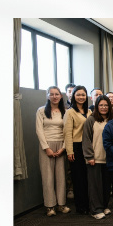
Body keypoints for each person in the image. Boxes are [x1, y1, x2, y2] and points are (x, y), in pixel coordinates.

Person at [36, 86, 69, 216]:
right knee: (47, 176)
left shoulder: (65, 111)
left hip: (61, 145)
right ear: (47, 96)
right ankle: (50, 206)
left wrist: (64, 148)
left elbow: (68, 131)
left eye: (57, 94)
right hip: (46, 145)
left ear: (61, 96)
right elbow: (39, 130)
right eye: (51, 94)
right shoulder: (41, 111)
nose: (54, 96)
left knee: (61, 176)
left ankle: (61, 204)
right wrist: (46, 148)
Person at [82, 95, 113, 219]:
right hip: (95, 158)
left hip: (109, 158)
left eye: (106, 105)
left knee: (106, 185)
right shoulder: (91, 120)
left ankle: (104, 206)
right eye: (101, 105)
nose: (104, 107)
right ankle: (96, 209)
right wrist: (89, 156)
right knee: (95, 185)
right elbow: (86, 139)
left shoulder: (112, 119)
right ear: (96, 106)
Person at [63, 85, 92, 214]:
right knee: (78, 178)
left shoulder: (89, 111)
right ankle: (81, 206)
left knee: (87, 177)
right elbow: (67, 133)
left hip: (88, 146)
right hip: (76, 147)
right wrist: (69, 151)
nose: (81, 97)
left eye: (83, 95)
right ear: (73, 96)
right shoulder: (70, 112)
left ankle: (88, 204)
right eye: (78, 94)